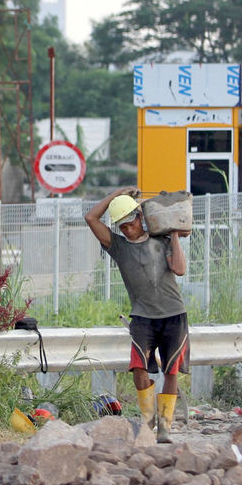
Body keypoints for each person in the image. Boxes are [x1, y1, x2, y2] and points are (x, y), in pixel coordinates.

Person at [85, 186, 190, 443]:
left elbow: (179, 269)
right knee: (138, 369)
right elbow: (91, 218)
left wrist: (174, 234)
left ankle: (164, 426)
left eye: (129, 223)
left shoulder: (162, 241)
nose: (126, 229)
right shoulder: (118, 247)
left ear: (140, 217)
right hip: (142, 317)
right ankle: (147, 420)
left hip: (174, 314)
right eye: (121, 226)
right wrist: (115, 195)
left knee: (171, 371)